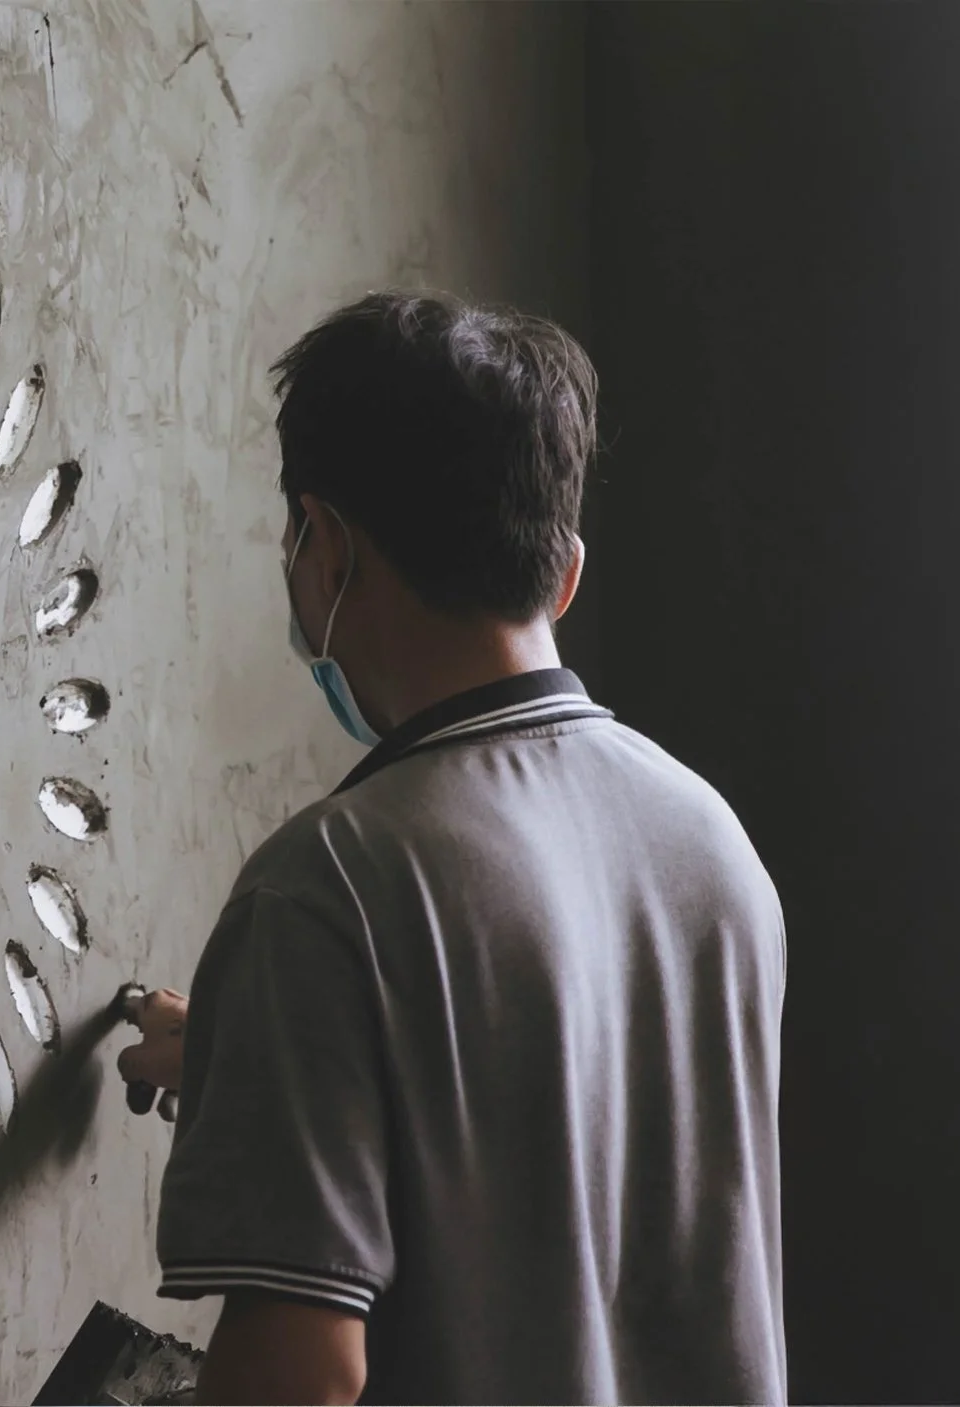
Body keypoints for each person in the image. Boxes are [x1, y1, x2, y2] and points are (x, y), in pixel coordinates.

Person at [115, 292, 786, 1405]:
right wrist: (262, 1064)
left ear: (325, 544)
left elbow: (300, 1381)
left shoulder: (328, 888)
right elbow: (570, 1149)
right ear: (563, 572)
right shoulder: (710, 843)